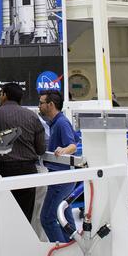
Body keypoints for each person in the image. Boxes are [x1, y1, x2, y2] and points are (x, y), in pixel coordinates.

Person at [0, 82, 46, 222]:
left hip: (2, 171)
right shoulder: (32, 116)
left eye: (0, 94)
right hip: (27, 171)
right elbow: (41, 149)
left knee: (2, 215)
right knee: (25, 217)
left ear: (4, 95)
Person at [39, 90, 78, 242]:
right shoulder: (54, 123)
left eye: (41, 103)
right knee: (65, 219)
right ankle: (73, 247)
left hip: (61, 180)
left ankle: (62, 251)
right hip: (61, 178)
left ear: (51, 105)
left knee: (47, 218)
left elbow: (72, 145)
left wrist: (63, 150)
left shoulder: (61, 123)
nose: (39, 106)